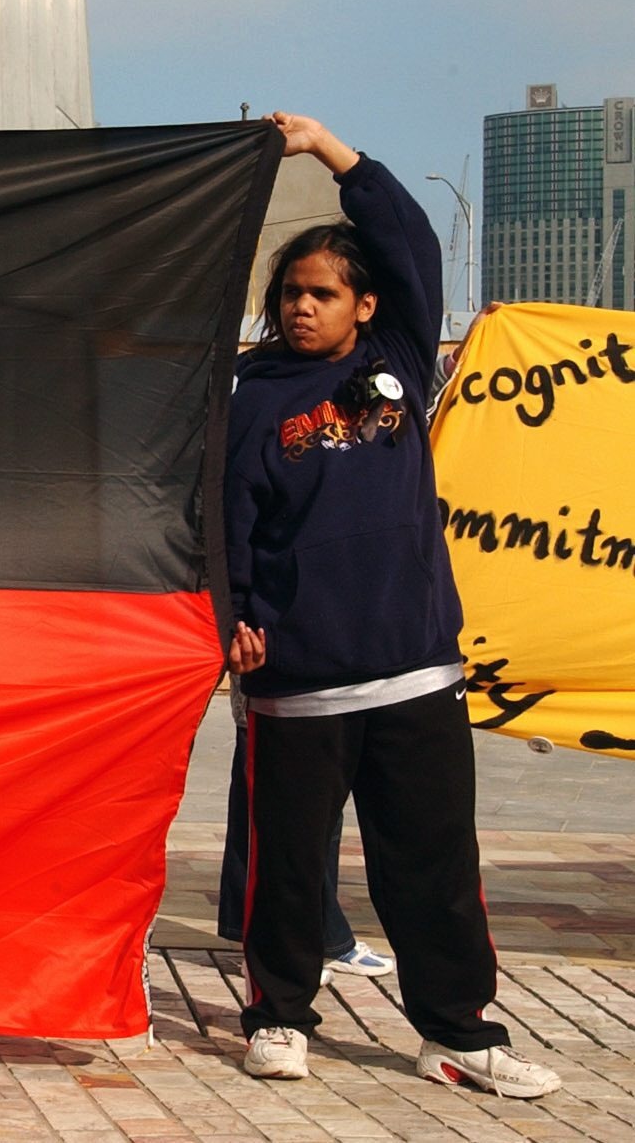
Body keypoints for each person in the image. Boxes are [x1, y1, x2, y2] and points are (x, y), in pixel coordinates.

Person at [221, 112, 560, 1097]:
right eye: (287, 293)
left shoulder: (401, 364)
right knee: (286, 869)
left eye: (320, 293)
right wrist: (232, 621)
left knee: (432, 867)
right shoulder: (248, 395)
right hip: (296, 686)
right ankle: (277, 1017)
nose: (298, 308)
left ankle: (457, 1032)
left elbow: (408, 241)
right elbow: (228, 520)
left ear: (362, 304)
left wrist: (332, 154)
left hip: (415, 672)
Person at [217, 676, 392, 982]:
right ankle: (270, 949)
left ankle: (320, 938)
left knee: (321, 820)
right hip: (273, 694)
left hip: (327, 696)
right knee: (270, 821)